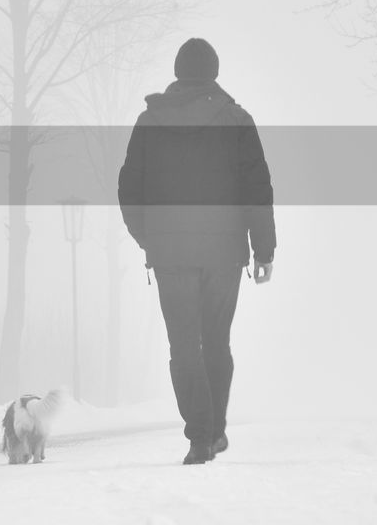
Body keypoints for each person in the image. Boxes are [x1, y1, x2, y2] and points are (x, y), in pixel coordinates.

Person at [117, 37, 276, 465]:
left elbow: (128, 190)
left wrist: (149, 237)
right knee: (216, 342)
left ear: (177, 73)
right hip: (225, 253)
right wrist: (264, 250)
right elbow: (257, 189)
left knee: (184, 346)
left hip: (171, 255)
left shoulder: (149, 123)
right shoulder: (238, 121)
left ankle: (199, 436)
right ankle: (215, 431)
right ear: (214, 73)